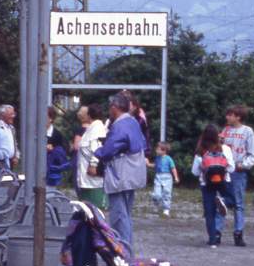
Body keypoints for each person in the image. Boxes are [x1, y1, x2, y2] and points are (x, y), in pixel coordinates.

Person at [94, 92, 148, 256]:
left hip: (120, 175)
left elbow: (108, 151)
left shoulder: (119, 125)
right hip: (133, 174)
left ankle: (122, 252)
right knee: (127, 214)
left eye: (110, 107)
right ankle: (128, 249)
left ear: (115, 107)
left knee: (118, 216)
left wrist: (98, 151)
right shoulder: (133, 122)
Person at [219, 105, 254, 247]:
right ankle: (217, 233)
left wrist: (243, 165)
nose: (227, 117)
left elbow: (253, 154)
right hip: (224, 171)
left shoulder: (247, 131)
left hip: (238, 171)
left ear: (238, 117)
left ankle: (238, 233)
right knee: (221, 202)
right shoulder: (225, 130)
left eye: (230, 115)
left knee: (238, 204)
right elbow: (219, 148)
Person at [192, 124, 235, 248]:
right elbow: (231, 168)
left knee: (209, 212)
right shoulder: (225, 149)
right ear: (217, 135)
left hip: (207, 183)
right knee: (233, 201)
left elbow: (194, 172)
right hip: (223, 181)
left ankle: (212, 240)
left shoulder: (201, 151)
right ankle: (224, 201)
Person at [74, 103, 109, 210]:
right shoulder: (91, 129)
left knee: (95, 211)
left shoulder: (97, 129)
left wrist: (93, 165)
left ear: (89, 115)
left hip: (94, 181)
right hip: (86, 179)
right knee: (86, 211)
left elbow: (98, 149)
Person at [150, 141, 177, 217]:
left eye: (158, 149)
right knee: (157, 194)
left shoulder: (169, 159)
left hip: (167, 177)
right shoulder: (157, 158)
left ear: (164, 150)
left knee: (167, 193)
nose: (156, 150)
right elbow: (155, 165)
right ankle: (156, 203)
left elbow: (173, 168)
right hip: (158, 176)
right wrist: (148, 164)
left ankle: (166, 209)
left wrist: (176, 177)